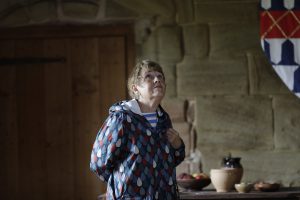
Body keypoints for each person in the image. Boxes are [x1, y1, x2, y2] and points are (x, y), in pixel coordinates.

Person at [90, 60, 185, 200]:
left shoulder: (164, 119)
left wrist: (178, 145)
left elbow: (168, 162)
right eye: (149, 76)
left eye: (160, 76)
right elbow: (98, 161)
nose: (157, 79)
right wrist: (121, 184)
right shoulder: (122, 118)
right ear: (135, 88)